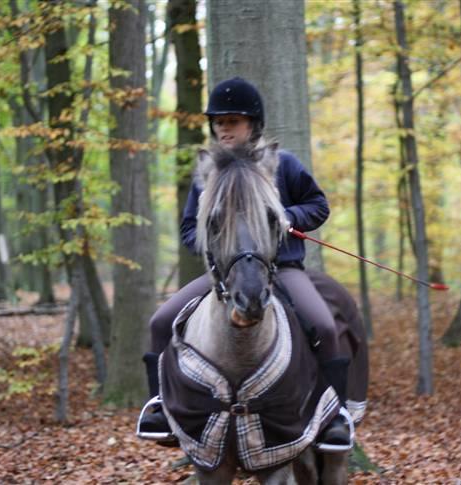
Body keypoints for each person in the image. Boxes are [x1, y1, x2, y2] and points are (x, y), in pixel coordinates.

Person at [139, 77, 351, 450]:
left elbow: (318, 205)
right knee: (160, 321)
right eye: (219, 122)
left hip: (281, 268)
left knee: (324, 326)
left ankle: (335, 417)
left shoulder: (282, 164)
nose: (224, 128)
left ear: (252, 124)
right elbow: (190, 228)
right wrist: (214, 244)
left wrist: (290, 217)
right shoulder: (208, 172)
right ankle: (159, 407)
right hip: (227, 272)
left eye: (233, 121)